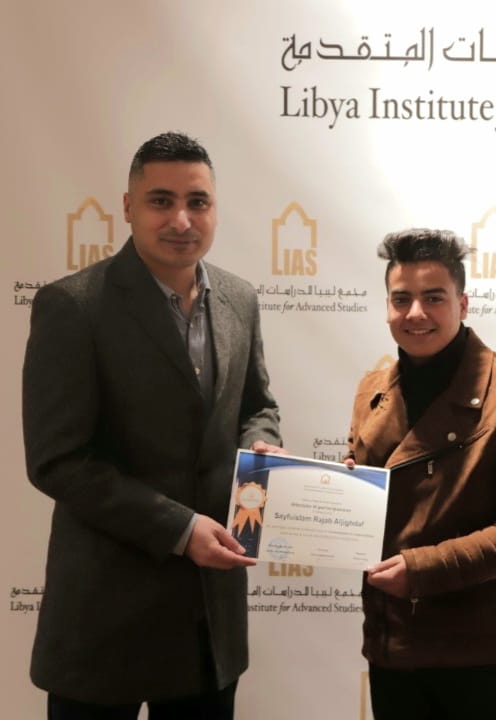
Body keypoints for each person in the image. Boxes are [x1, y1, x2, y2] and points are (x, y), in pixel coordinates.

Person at [22, 131, 283, 719]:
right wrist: (181, 528)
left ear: (215, 208)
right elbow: (57, 460)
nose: (181, 220)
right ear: (128, 207)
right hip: (103, 618)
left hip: (208, 625)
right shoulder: (73, 306)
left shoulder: (240, 298)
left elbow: (257, 405)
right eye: (161, 201)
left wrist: (260, 451)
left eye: (198, 202)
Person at [343, 228, 496, 720]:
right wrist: (311, 488)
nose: (415, 313)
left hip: (484, 656)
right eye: (401, 299)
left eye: (433, 298)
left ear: (462, 304)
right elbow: (365, 496)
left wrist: (423, 569)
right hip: (393, 645)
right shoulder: (371, 391)